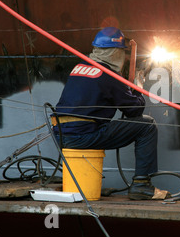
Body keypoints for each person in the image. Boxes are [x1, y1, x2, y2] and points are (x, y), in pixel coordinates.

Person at [53, 27, 170, 200]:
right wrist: (138, 87)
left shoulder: (79, 67)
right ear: (116, 53)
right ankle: (141, 184)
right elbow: (134, 111)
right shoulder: (108, 75)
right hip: (84, 136)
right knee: (147, 125)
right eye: (122, 52)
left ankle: (90, 183)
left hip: (61, 135)